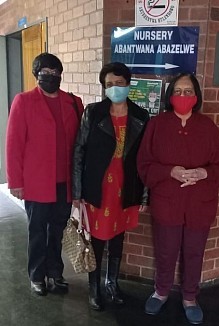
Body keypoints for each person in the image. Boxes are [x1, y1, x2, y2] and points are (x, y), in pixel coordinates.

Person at [137, 72, 219, 324]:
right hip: (167, 202)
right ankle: (161, 291)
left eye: (188, 91)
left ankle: (190, 297)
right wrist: (171, 171)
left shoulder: (207, 126)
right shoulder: (157, 125)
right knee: (166, 250)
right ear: (170, 96)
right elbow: (144, 163)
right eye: (178, 91)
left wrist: (204, 172)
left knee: (194, 252)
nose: (183, 96)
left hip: (199, 204)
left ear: (196, 96)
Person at [72, 62, 150, 311]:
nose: (114, 88)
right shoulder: (93, 113)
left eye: (119, 83)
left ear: (128, 84)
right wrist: (77, 192)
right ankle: (94, 289)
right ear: (103, 87)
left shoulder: (141, 116)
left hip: (127, 187)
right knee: (96, 241)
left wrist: (145, 196)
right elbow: (79, 151)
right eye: (109, 84)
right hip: (98, 187)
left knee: (118, 237)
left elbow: (146, 159)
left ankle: (111, 283)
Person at [5, 52, 84, 296]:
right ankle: (37, 275)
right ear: (36, 74)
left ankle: (55, 273)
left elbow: (81, 144)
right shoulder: (24, 101)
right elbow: (13, 144)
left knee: (58, 231)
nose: (50, 76)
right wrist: (15, 182)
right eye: (45, 72)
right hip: (37, 183)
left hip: (65, 182)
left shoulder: (73, 102)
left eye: (55, 72)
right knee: (37, 231)